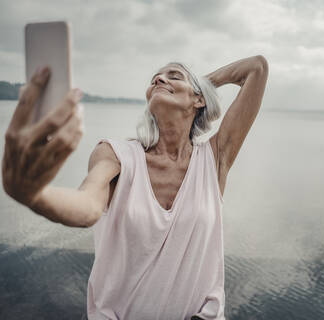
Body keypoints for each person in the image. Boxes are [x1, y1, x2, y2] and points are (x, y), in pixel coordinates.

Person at [2, 55, 269, 319]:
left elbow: (256, 68)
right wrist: (35, 195)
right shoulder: (116, 154)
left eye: (173, 75)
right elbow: (87, 207)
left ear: (199, 100)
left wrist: (202, 84)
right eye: (155, 80)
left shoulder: (214, 158)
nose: (160, 79)